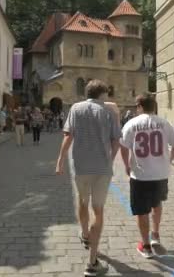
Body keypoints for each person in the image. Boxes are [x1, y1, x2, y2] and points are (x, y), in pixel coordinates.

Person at [55, 79, 121, 277]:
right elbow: (116, 141)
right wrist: (110, 159)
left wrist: (60, 160)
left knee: (83, 202)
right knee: (98, 212)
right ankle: (92, 262)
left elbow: (68, 136)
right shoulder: (110, 111)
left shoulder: (76, 108)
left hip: (81, 166)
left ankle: (84, 234)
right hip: (102, 168)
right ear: (103, 94)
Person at [119, 93, 174, 258]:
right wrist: (168, 160)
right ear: (153, 106)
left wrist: (126, 165)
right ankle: (155, 234)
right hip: (160, 174)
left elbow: (123, 147)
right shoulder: (164, 123)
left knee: (141, 211)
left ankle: (146, 246)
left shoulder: (131, 124)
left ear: (139, 106)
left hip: (140, 175)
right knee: (157, 203)